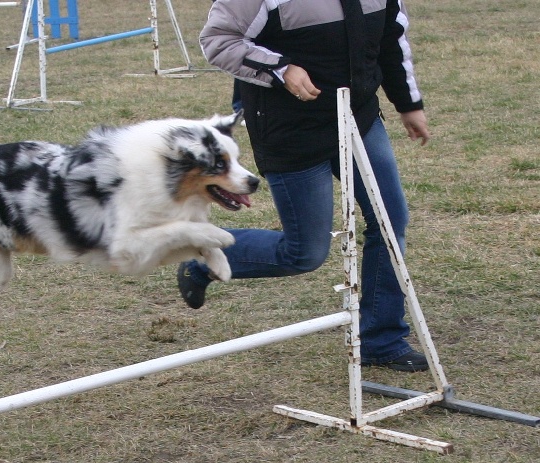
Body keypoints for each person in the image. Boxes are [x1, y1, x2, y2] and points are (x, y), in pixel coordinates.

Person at [179, 0, 431, 372]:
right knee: (304, 254)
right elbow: (218, 40)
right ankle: (203, 256)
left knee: (390, 222)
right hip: (289, 129)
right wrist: (280, 69)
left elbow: (392, 38)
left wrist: (408, 103)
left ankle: (382, 339)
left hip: (357, 116)